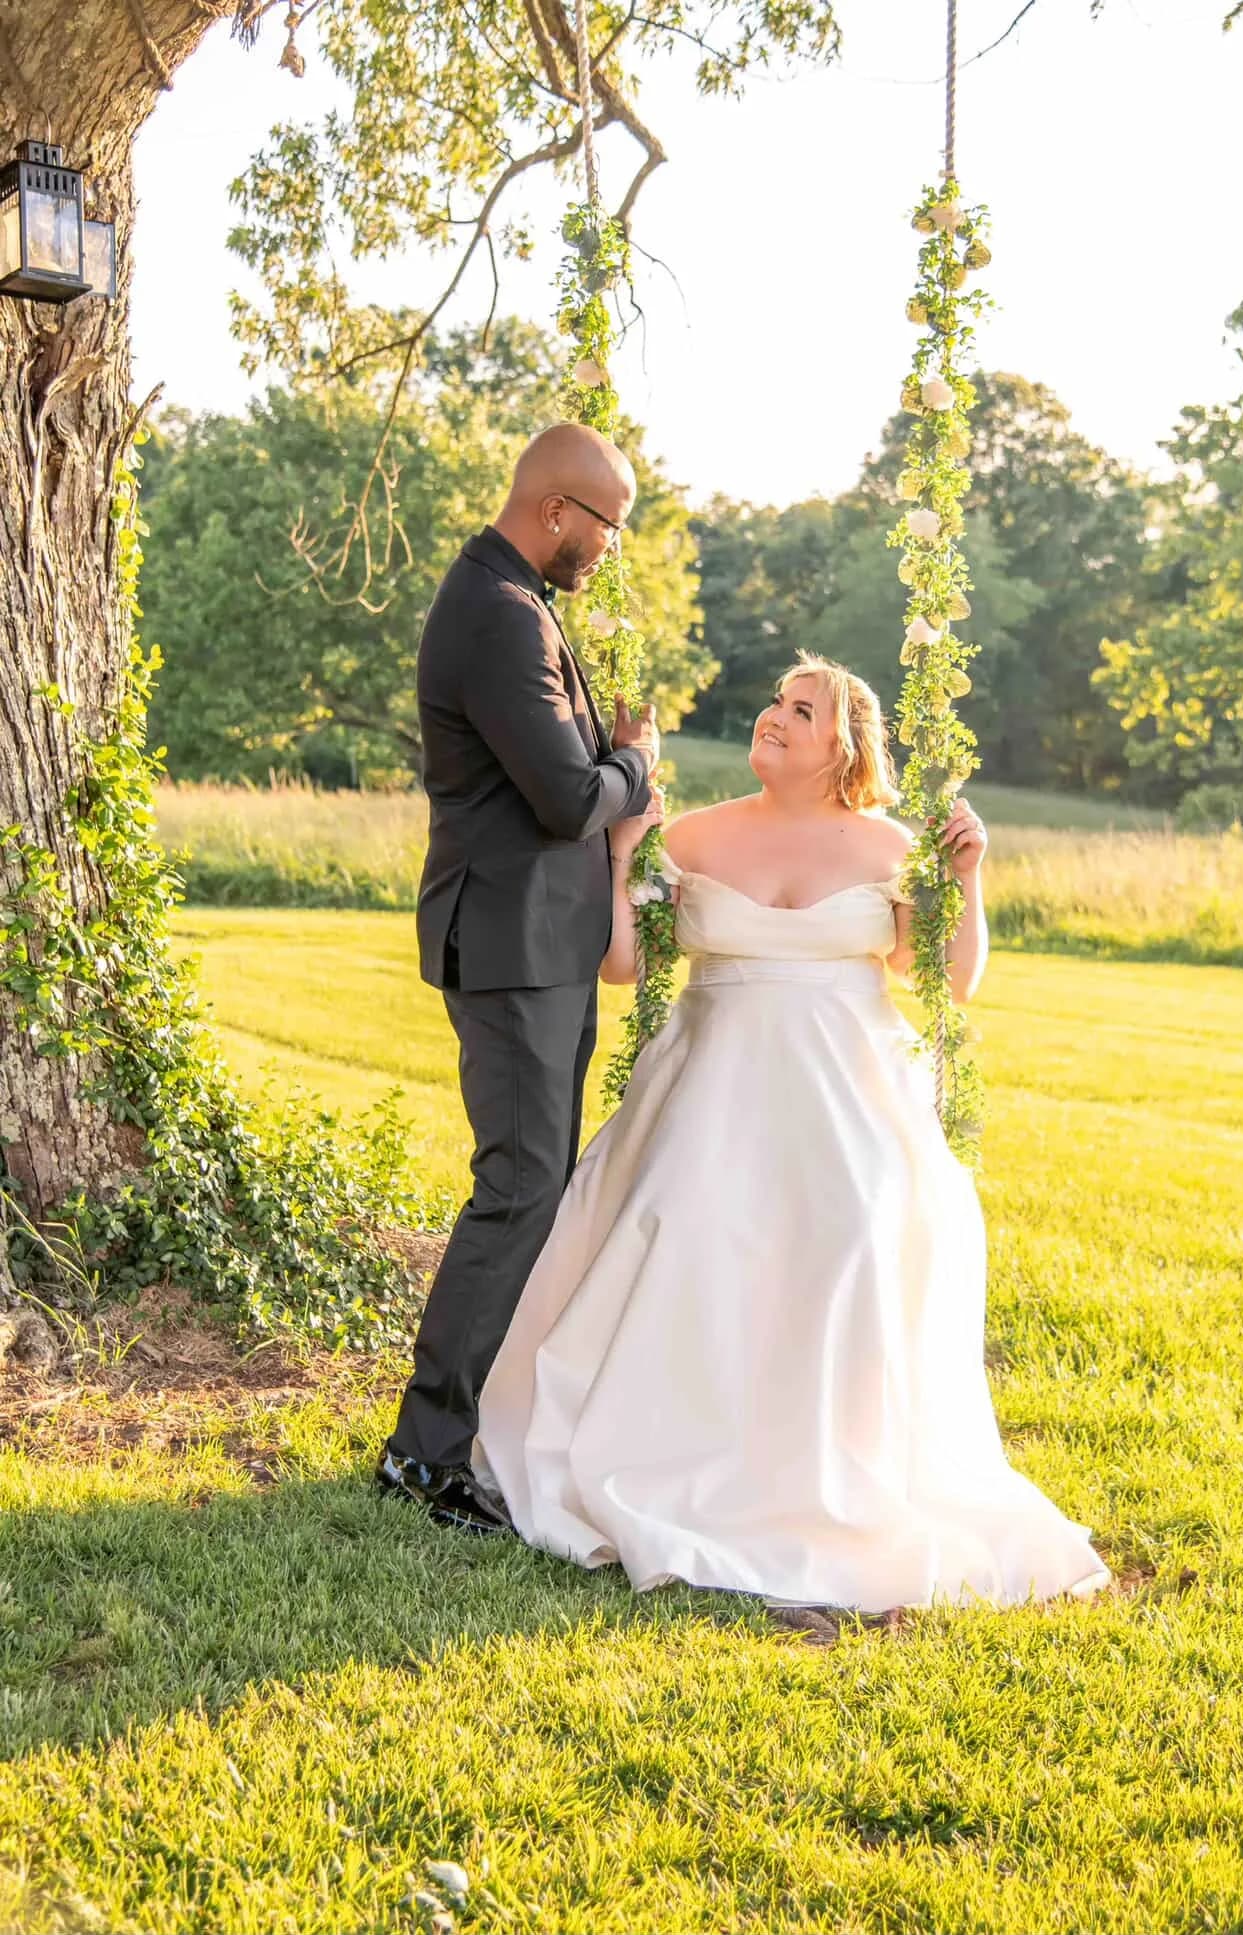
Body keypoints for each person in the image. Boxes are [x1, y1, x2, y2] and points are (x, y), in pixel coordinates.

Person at [474, 653, 1111, 1612]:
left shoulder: (892, 844)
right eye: (777, 700)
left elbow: (950, 976)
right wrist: (621, 856)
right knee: (686, 1229)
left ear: (841, 747)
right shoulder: (690, 833)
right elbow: (620, 964)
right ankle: (672, 1448)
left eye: (800, 709)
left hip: (847, 1093)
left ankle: (823, 1469)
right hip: (708, 1086)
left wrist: (967, 879)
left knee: (852, 1239)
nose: (774, 715)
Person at [380, 423, 660, 1532]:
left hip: (538, 947)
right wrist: (634, 763)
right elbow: (561, 796)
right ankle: (424, 1453)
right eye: (607, 527)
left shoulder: (516, 599)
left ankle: (471, 1429)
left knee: (532, 1189)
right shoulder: (499, 615)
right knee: (517, 1190)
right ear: (556, 512)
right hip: (506, 950)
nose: (608, 549)